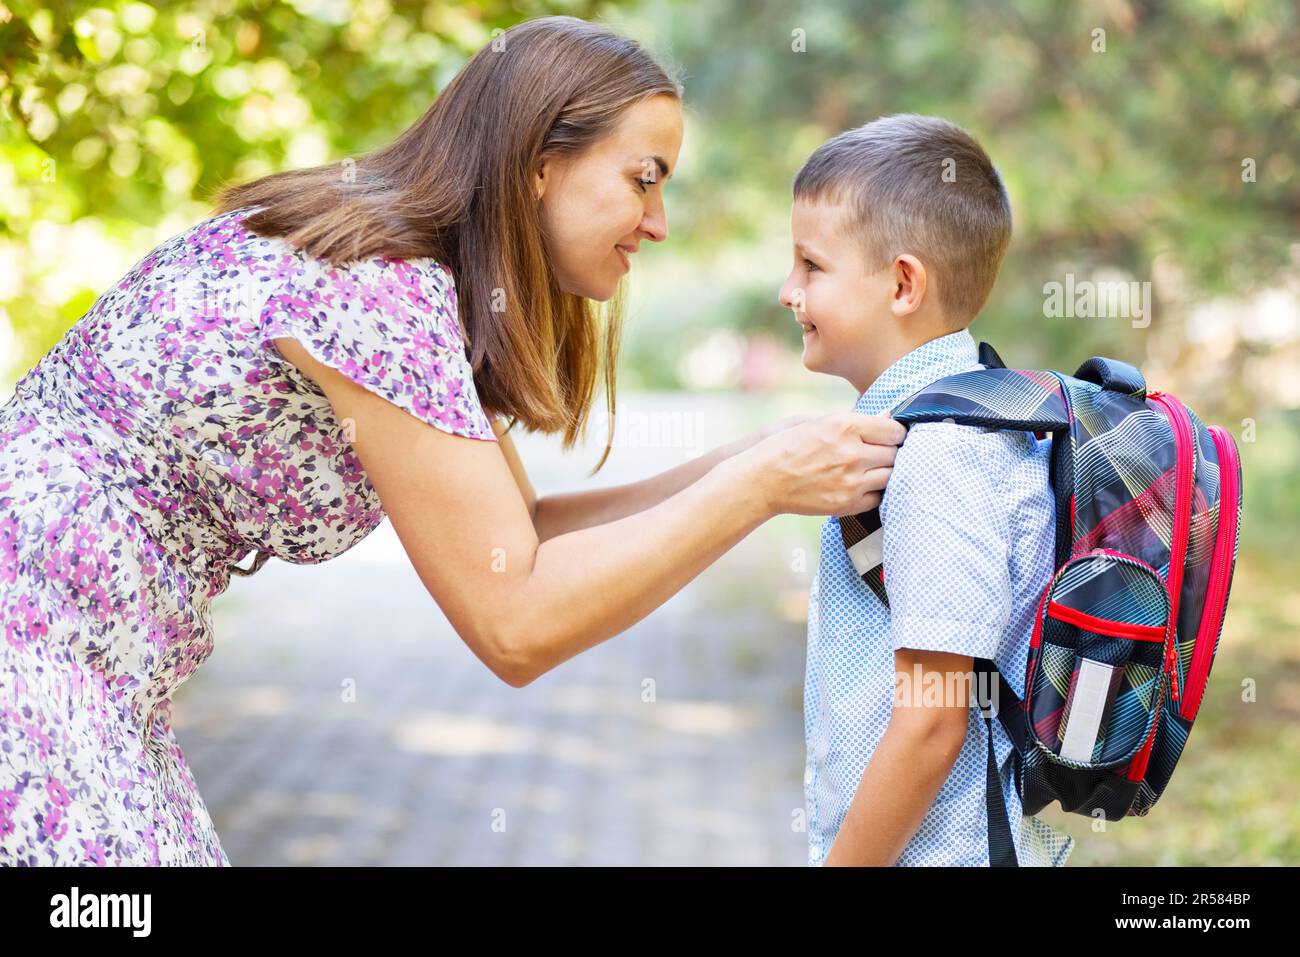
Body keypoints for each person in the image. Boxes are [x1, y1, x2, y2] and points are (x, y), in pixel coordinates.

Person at [0, 16, 904, 866]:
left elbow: (529, 532)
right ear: (541, 163)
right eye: (643, 177)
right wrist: (760, 489)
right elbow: (515, 623)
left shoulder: (417, 284)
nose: (658, 221)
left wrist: (754, 456)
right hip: (33, 635)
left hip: (103, 666)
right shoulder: (379, 288)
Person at [780, 113, 1076, 866]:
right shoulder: (949, 423)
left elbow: (933, 722)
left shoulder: (942, 452)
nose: (789, 291)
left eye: (811, 266)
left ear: (903, 283)